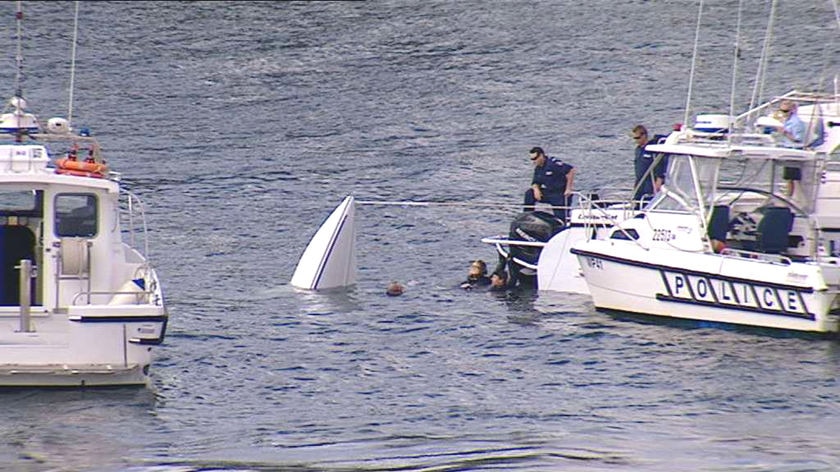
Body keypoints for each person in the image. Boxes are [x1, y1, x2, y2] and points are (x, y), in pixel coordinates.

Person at [523, 147, 576, 221]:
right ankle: (527, 217)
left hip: (560, 193)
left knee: (561, 218)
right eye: (532, 159)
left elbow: (570, 170)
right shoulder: (538, 168)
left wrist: (568, 188)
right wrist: (536, 189)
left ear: (541, 155)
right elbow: (536, 182)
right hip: (549, 192)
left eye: (535, 158)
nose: (533, 161)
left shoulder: (553, 163)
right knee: (529, 193)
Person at [631, 125, 667, 202]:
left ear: (644, 135)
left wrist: (659, 179)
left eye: (638, 138)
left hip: (651, 183)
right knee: (637, 202)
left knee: (648, 201)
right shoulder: (638, 150)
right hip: (640, 183)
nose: (636, 140)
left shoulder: (652, 148)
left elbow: (660, 164)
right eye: (634, 138)